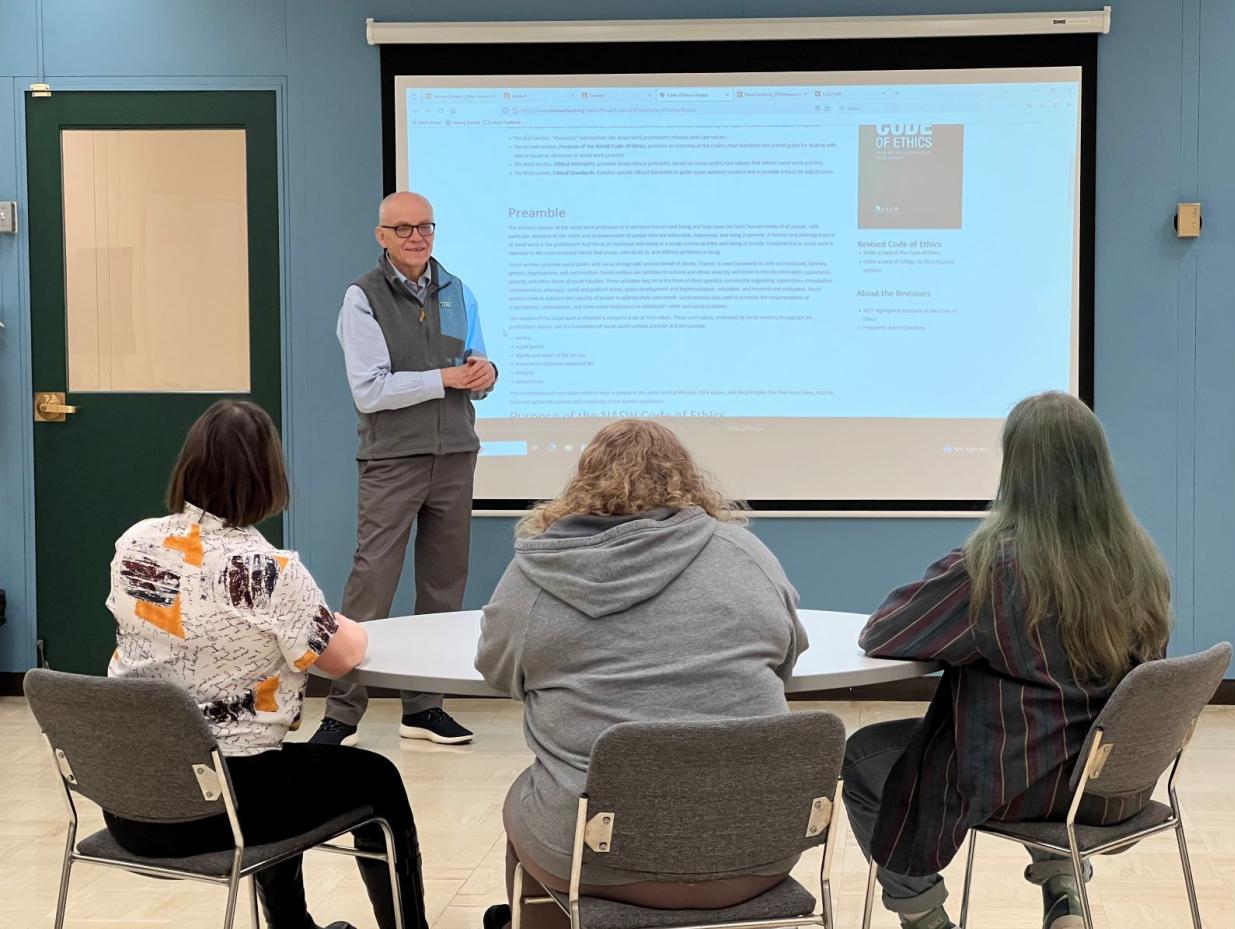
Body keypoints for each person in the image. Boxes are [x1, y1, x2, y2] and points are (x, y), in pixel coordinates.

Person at [842, 391, 1173, 929]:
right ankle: (1063, 886)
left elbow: (883, 631)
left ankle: (922, 915)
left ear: (1014, 469)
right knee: (1049, 729)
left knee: (862, 758)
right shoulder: (1140, 559)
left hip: (1024, 781)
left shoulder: (993, 566)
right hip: (1111, 784)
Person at [104, 400, 430, 929]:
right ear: (267, 477)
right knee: (375, 778)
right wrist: (339, 622)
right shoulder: (268, 572)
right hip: (220, 809)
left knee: (282, 768)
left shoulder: (134, 544)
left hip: (130, 799)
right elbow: (344, 657)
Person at [475, 420, 809, 929]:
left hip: (596, 859)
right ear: (688, 478)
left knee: (530, 794)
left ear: (583, 480)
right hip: (757, 853)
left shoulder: (538, 573)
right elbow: (787, 656)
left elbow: (499, 673)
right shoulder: (748, 556)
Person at [313, 190, 497, 748]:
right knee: (373, 584)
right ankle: (342, 714)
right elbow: (369, 391)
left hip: (455, 453)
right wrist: (444, 380)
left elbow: (476, 367)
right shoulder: (361, 297)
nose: (417, 236)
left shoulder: (458, 291)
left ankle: (424, 709)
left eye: (425, 227)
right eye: (404, 228)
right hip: (393, 458)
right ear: (382, 236)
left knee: (445, 585)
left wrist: (486, 374)